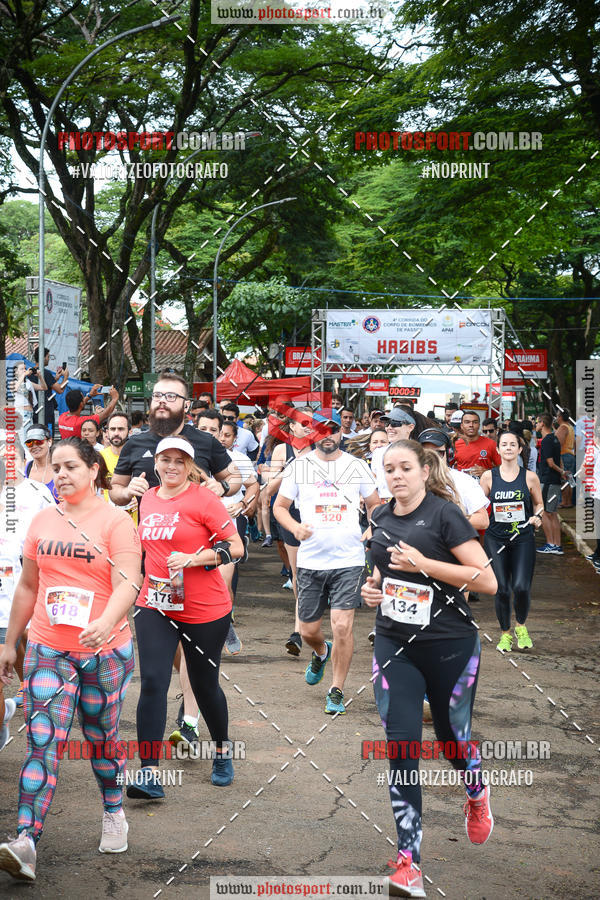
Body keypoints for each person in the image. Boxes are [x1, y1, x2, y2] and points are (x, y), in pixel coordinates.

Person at [0, 438, 142, 880]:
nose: (60, 475)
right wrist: (11, 641)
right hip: (48, 649)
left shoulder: (116, 522)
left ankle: (114, 807)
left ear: (94, 470)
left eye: (70, 467)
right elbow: (27, 586)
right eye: (55, 467)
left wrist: (106, 621)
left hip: (105, 651)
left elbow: (129, 581)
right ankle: (25, 841)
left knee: (102, 740)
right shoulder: (43, 520)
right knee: (43, 740)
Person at [362, 439, 497, 896]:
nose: (396, 475)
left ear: (423, 471)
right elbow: (382, 571)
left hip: (449, 646)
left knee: (452, 739)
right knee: (401, 747)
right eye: (389, 469)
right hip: (393, 644)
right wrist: (373, 589)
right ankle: (408, 861)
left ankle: (476, 793)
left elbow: (487, 580)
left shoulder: (445, 515)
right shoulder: (380, 517)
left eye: (405, 468)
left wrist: (424, 565)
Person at [128, 436, 243, 797]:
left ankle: (222, 751)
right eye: (166, 459)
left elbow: (235, 547)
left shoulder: (204, 498)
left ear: (190, 465)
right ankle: (149, 773)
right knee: (152, 682)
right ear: (156, 462)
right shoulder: (147, 498)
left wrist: (195, 558)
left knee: (205, 684)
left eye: (180, 460)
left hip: (204, 608)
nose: (172, 466)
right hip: (156, 603)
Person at [274, 409, 379, 715]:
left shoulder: (357, 466)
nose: (328, 435)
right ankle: (321, 651)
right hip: (311, 560)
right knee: (308, 631)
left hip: (348, 559)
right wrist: (295, 528)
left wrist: (372, 527)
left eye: (333, 429)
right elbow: (280, 507)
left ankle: (336, 690)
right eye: (320, 429)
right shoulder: (299, 467)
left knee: (343, 625)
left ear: (339, 433)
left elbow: (375, 504)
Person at [109, 372, 241, 511]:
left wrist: (222, 487)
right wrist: (127, 491)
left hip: (199, 530)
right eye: (157, 395)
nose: (162, 400)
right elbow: (115, 488)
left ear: (186, 405)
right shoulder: (134, 444)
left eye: (171, 396)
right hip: (151, 530)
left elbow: (234, 476)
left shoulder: (206, 441)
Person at [0, 440, 54, 748]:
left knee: (26, 648)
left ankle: (38, 699)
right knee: (11, 645)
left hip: (29, 583)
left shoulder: (37, 493)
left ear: (22, 461)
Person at [480, 431, 544, 652]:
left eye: (512, 444)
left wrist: (538, 517)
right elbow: (479, 507)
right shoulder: (488, 477)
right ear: (497, 449)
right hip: (495, 539)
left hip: (523, 539)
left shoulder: (530, 477)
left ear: (519, 449)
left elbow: (539, 504)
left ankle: (521, 627)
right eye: (504, 444)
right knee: (503, 589)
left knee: (521, 587)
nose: (508, 448)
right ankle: (505, 633)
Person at [265, 408, 315, 656]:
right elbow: (269, 488)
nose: (308, 427)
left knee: (310, 574)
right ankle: (301, 623)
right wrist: (289, 469)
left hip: (316, 518)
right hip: (289, 515)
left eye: (311, 423)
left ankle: (298, 630)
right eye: (303, 423)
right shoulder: (281, 451)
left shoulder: (320, 450)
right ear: (291, 427)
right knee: (298, 575)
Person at [218, 419, 259, 654]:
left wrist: (243, 503)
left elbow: (254, 487)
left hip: (228, 526)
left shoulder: (240, 460)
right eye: (216, 433)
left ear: (235, 439)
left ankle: (225, 625)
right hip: (198, 528)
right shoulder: (195, 458)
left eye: (226, 435)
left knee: (224, 583)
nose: (221, 438)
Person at [536, 413, 566, 554]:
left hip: (548, 480)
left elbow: (550, 462)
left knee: (546, 513)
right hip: (554, 480)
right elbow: (558, 459)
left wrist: (562, 472)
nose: (536, 425)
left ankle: (551, 544)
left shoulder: (547, 440)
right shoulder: (554, 438)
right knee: (552, 513)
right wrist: (562, 472)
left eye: (537, 422)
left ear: (542, 423)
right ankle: (556, 545)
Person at [371, 408, 416, 500]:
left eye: (395, 423)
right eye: (387, 423)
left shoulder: (419, 453)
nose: (389, 427)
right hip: (384, 507)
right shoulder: (378, 453)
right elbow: (372, 484)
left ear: (410, 427)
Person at [101, 413, 137, 524]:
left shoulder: (138, 457)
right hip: (106, 522)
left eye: (121, 429)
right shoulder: (98, 458)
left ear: (130, 431)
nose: (116, 433)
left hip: (133, 522)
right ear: (107, 432)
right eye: (112, 429)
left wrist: (139, 500)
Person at [28, 347, 69, 437]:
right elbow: (60, 390)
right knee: (48, 438)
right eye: (48, 356)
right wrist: (66, 377)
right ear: (42, 357)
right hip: (46, 411)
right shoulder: (45, 373)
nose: (48, 359)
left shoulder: (30, 373)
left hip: (34, 411)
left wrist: (55, 379)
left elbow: (44, 387)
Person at [453, 410, 501, 478]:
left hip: (484, 486)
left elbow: (502, 468)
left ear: (479, 425)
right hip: (461, 486)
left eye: (475, 422)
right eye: (467, 422)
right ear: (462, 425)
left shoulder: (491, 444)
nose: (471, 425)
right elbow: (447, 468)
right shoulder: (455, 445)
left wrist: (487, 472)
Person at [23, 424, 60, 502]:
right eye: (29, 443)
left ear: (49, 441)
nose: (34, 446)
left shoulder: (61, 467)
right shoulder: (25, 469)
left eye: (39, 441)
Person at [555, 409, 576, 508]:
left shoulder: (563, 427)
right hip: (570, 454)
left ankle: (564, 501)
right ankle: (569, 501)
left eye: (558, 416)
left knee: (564, 479)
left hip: (563, 455)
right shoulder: (570, 427)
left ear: (561, 417)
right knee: (570, 479)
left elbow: (558, 443)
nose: (556, 418)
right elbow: (574, 442)